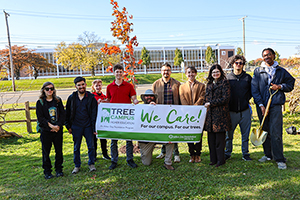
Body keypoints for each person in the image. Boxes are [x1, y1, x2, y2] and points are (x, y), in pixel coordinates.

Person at [251, 48, 295, 170]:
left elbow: (291, 83)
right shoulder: (258, 71)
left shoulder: (281, 71)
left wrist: (280, 86)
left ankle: (280, 159)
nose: (267, 57)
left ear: (274, 56)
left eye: (269, 55)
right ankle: (268, 155)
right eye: (264, 55)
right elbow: (254, 90)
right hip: (262, 106)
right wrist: (260, 105)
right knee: (264, 130)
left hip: (275, 105)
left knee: (276, 132)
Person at [105, 64, 139, 170]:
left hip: (126, 116)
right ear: (114, 73)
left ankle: (130, 159)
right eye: (117, 72)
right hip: (114, 117)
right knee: (113, 140)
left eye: (120, 71)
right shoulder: (109, 87)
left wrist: (135, 101)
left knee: (129, 139)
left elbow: (133, 97)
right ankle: (114, 160)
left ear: (123, 73)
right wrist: (102, 102)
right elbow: (108, 99)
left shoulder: (129, 86)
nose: (119, 74)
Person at [65, 76, 98, 174]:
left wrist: (94, 128)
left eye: (83, 84)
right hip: (76, 126)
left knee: (91, 146)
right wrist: (68, 126)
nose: (81, 87)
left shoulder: (91, 98)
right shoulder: (71, 98)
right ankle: (77, 165)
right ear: (76, 86)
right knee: (76, 147)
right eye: (79, 85)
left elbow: (94, 114)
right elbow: (67, 112)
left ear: (86, 85)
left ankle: (91, 163)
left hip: (88, 126)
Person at [225, 55, 252, 161]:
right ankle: (227, 153)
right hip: (231, 111)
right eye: (237, 63)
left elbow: (251, 92)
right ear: (232, 64)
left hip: (244, 111)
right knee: (229, 135)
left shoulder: (248, 78)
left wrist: (245, 101)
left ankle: (245, 153)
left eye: (241, 63)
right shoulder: (228, 78)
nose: (239, 65)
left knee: (245, 135)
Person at [139, 89, 175, 170]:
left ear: (154, 98)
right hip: (146, 140)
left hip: (158, 136)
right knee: (146, 163)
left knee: (171, 140)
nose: (149, 97)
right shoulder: (139, 108)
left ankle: (167, 163)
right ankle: (147, 154)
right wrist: (149, 107)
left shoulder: (159, 108)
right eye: (147, 96)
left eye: (151, 96)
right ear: (144, 98)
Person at [152, 63, 181, 164]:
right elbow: (151, 98)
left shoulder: (177, 84)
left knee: (174, 134)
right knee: (163, 133)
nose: (166, 72)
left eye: (168, 70)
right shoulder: (156, 84)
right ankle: (163, 152)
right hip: (161, 114)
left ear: (171, 71)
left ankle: (176, 154)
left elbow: (181, 98)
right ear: (161, 72)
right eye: (164, 70)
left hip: (174, 113)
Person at [36, 82, 65, 179]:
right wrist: (51, 126)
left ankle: (59, 170)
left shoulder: (57, 101)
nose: (50, 91)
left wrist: (58, 126)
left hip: (57, 130)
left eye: (51, 88)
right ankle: (47, 171)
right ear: (43, 90)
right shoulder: (40, 102)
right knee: (46, 152)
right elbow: (41, 118)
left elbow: (62, 114)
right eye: (47, 89)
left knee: (59, 151)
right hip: (46, 131)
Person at [204, 64, 231, 167]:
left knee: (220, 140)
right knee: (211, 140)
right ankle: (213, 159)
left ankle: (221, 160)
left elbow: (225, 98)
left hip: (220, 116)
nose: (215, 74)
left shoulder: (225, 83)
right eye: (213, 72)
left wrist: (211, 103)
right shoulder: (209, 84)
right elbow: (206, 98)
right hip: (210, 116)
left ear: (221, 72)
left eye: (217, 72)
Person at [179, 66, 205, 163]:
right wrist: (189, 109)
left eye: (193, 72)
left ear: (196, 73)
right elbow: (182, 98)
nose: (191, 74)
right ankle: (192, 154)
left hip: (198, 113)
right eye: (189, 72)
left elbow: (202, 97)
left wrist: (195, 107)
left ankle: (198, 154)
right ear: (186, 74)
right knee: (189, 134)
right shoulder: (182, 86)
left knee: (199, 134)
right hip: (186, 114)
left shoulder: (202, 85)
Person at [91, 79, 111, 161]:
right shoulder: (91, 96)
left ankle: (105, 154)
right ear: (93, 87)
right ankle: (94, 155)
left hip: (102, 120)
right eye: (96, 86)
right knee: (93, 139)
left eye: (99, 85)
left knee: (103, 138)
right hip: (94, 119)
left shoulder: (104, 96)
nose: (98, 87)